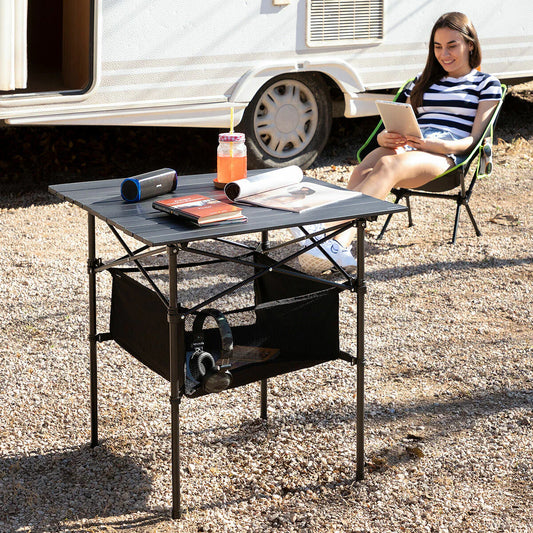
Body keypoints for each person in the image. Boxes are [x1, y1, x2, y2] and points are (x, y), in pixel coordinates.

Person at [294, 11, 502, 275]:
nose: (444, 54)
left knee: (387, 165)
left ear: (470, 45)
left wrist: (434, 146)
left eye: (452, 45)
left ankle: (326, 231)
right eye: (437, 47)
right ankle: (339, 246)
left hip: (443, 154)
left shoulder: (486, 84)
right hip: (412, 142)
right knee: (362, 170)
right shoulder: (423, 80)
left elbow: (472, 141)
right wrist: (384, 137)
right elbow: (400, 121)